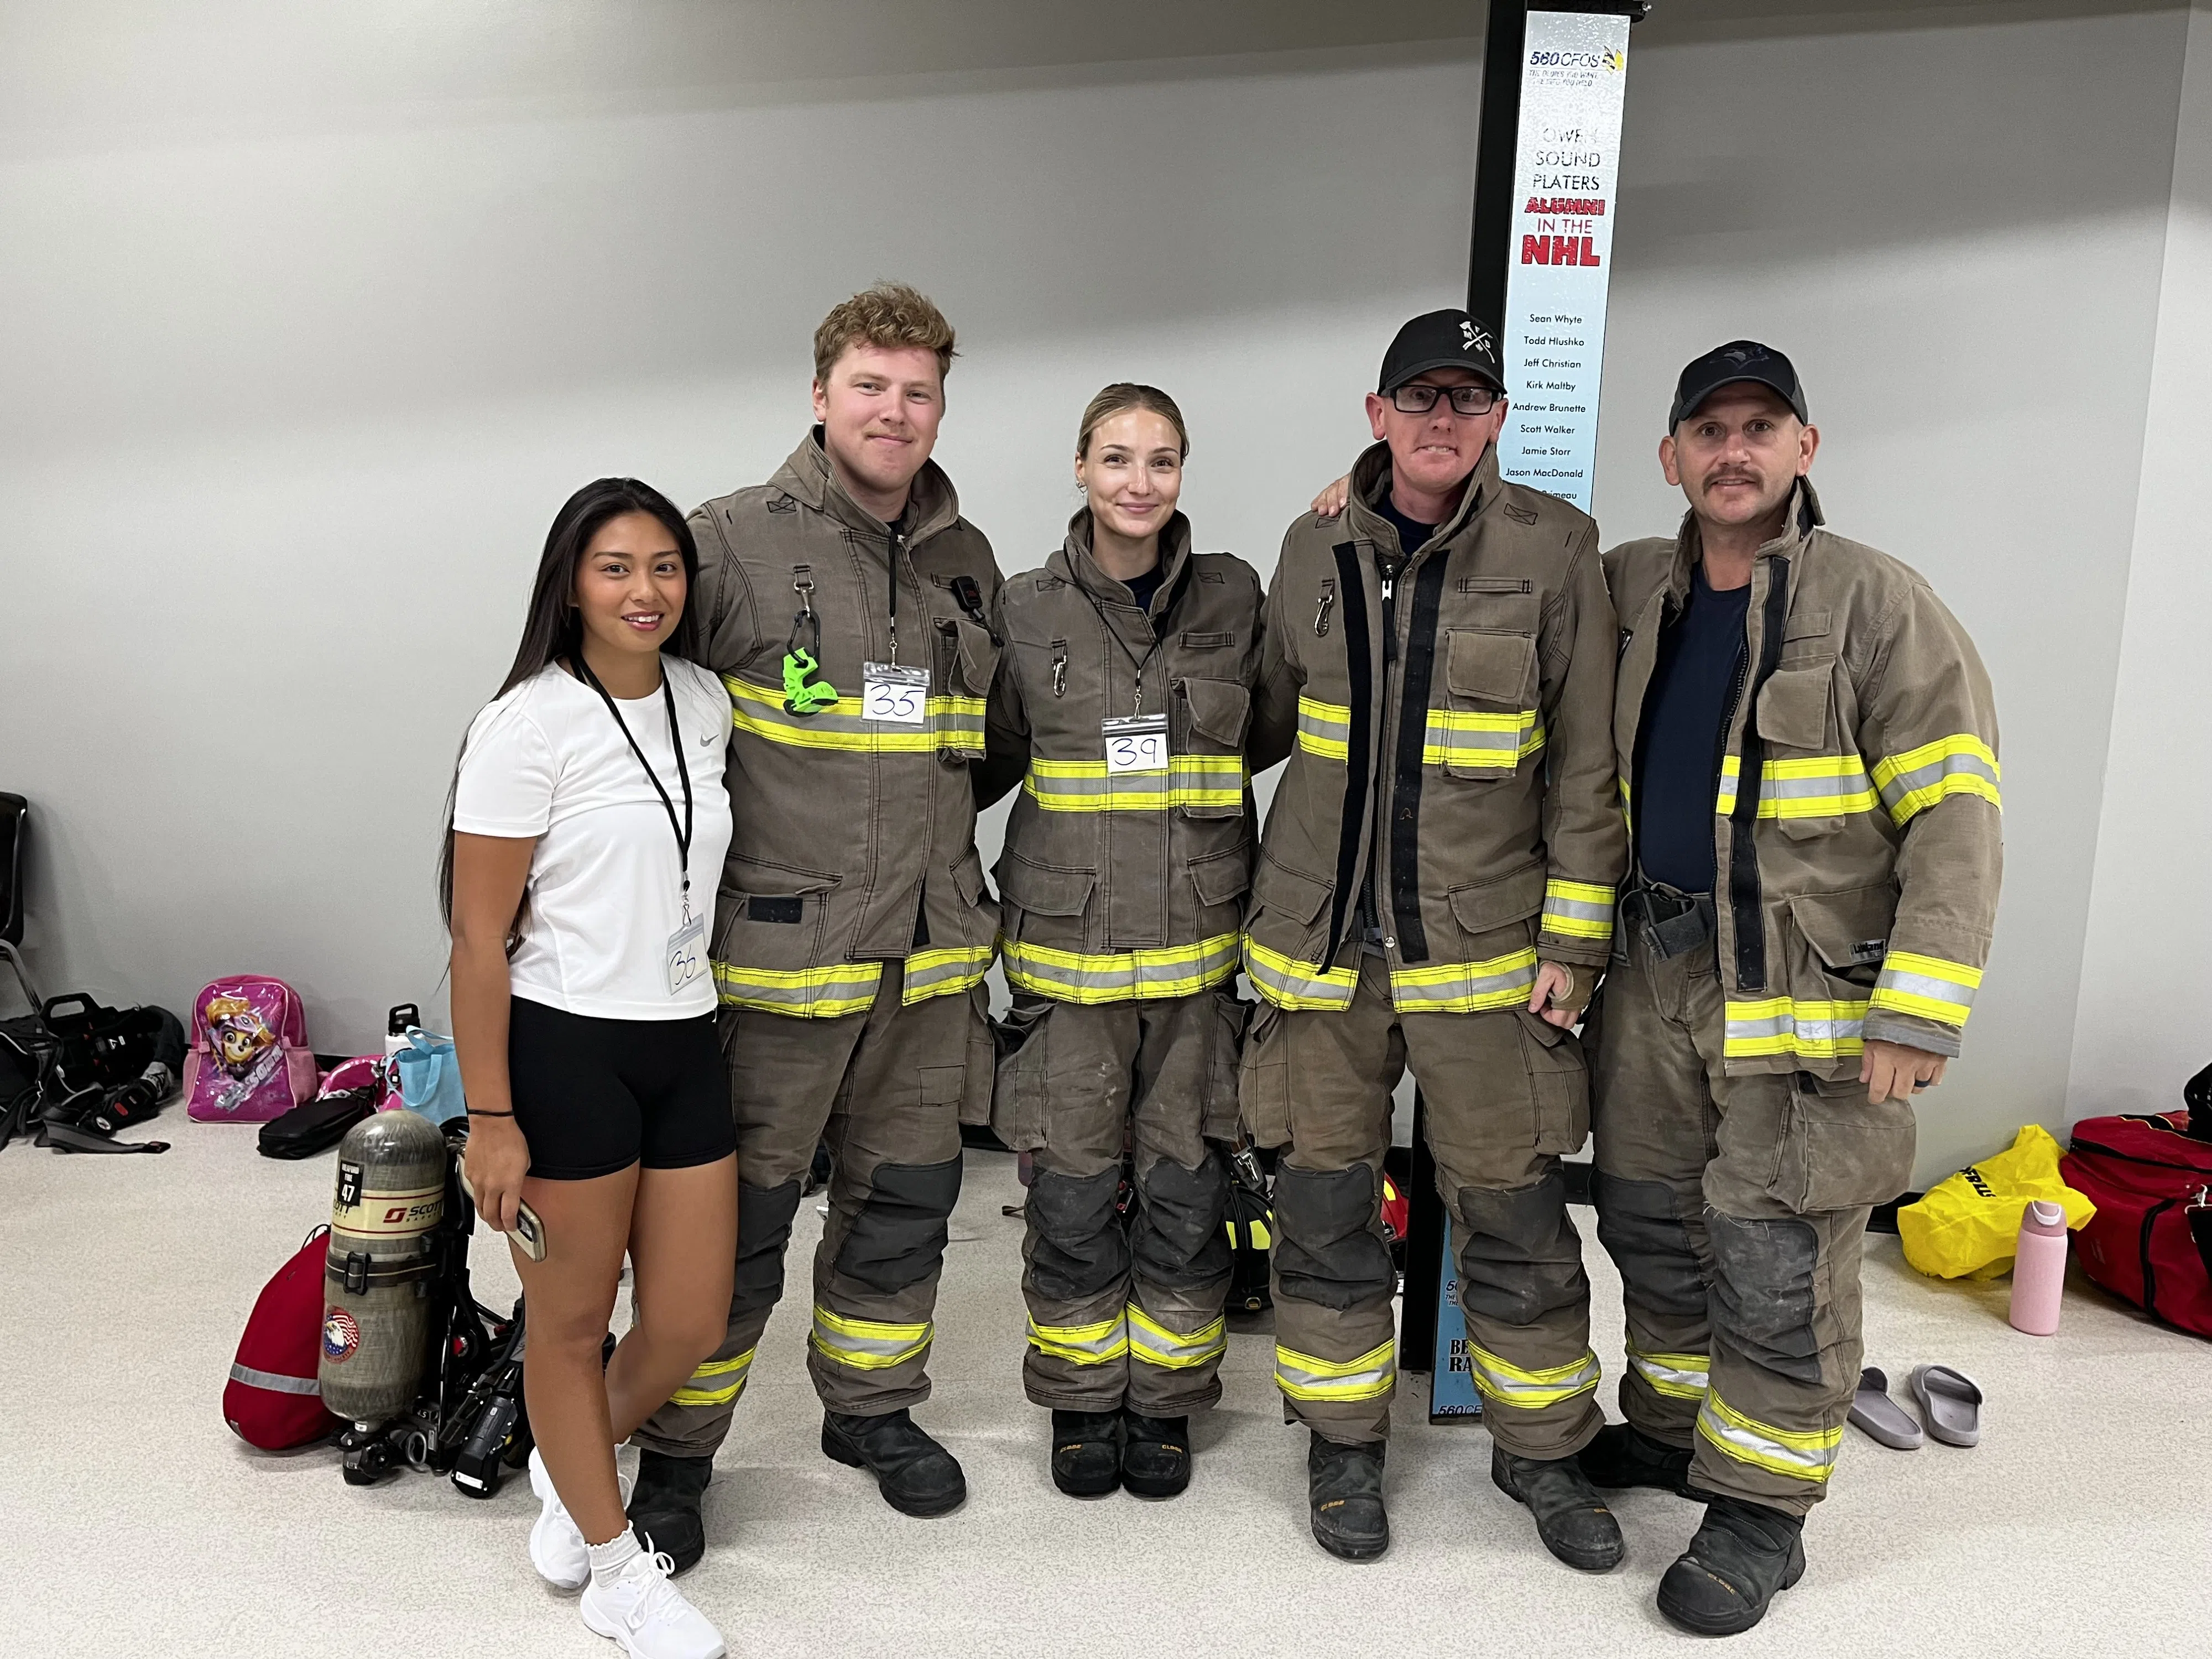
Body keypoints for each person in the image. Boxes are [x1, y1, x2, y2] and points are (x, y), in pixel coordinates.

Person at [1580, 342, 2002, 1635]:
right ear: (1670, 458)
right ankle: (1669, 1430)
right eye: (1707, 431)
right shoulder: (1634, 586)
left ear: (1802, 449)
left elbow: (1955, 810)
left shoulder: (1878, 604)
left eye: (1760, 427)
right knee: (1648, 1223)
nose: (1733, 451)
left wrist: (1917, 1008)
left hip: (1800, 999)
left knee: (1774, 1250)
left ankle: (1761, 1510)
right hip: (1649, 973)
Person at [623, 283, 1005, 1562]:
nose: (894, 412)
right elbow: (644, 749)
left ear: (940, 404)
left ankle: (871, 1409)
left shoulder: (965, 559)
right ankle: (678, 1456)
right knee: (729, 1228)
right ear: (820, 391)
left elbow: (978, 751)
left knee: (904, 1204)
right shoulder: (723, 542)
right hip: (779, 966)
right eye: (870, 386)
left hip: (931, 959)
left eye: (917, 392)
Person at [1245, 309, 1626, 1564]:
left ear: (1498, 419)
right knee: (1321, 1203)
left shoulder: (1553, 549)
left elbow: (1584, 764)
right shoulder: (1310, 544)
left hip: (1485, 953)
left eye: (1467, 400)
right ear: (1376, 416)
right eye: (1419, 400)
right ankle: (1343, 1442)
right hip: (1322, 949)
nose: (1441, 421)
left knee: (1514, 1213)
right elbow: (1266, 725)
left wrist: (1574, 944)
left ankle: (1544, 1453)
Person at [447, 478, 737, 1659]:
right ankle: (617, 1573)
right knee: (567, 1327)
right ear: (570, 582)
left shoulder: (705, 701)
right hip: (564, 1045)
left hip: (684, 1033)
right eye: (615, 567)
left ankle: (567, 1478)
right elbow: (476, 939)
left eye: (664, 566)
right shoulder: (527, 724)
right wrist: (490, 1118)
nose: (644, 590)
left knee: (683, 1322)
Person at [975, 384, 1269, 1500]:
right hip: (1067, 962)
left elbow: (1277, 719)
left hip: (1198, 963)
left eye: (1159, 461)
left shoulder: (1234, 596)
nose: (1136, 483)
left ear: (1182, 472)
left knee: (1189, 1192)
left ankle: (1168, 1402)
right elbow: (993, 751)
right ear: (1080, 468)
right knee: (1067, 1196)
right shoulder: (1025, 605)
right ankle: (1082, 1401)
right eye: (1114, 459)